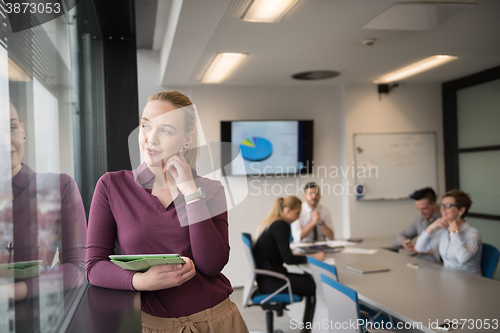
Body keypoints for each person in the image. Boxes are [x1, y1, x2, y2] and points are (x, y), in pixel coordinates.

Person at [86, 91, 248, 333]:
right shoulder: (111, 186)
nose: (150, 139)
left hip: (217, 321)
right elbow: (94, 267)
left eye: (166, 130)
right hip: (147, 325)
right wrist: (140, 281)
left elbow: (212, 264)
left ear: (187, 139)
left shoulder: (211, 190)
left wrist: (190, 193)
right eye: (146, 126)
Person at [4, 101, 87, 301]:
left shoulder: (60, 186)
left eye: (11, 127)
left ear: (23, 131)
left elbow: (79, 269)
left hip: (40, 319)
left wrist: (13, 292)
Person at [253, 196, 325, 333]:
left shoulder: (270, 223)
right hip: (275, 282)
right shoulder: (281, 226)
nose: (298, 217)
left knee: (310, 282)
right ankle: (308, 330)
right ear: (287, 210)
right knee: (315, 285)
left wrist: (303, 256)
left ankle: (307, 329)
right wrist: (312, 257)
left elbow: (283, 254)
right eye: (297, 213)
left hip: (267, 279)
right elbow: (288, 259)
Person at [415, 189, 482, 275]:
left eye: (448, 206)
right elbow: (419, 248)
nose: (442, 209)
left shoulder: (473, 233)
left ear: (461, 210)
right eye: (442, 205)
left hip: (470, 283)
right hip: (449, 280)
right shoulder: (444, 232)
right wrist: (431, 227)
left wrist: (454, 232)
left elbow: (463, 258)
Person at [393, 187, 441, 262]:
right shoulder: (420, 220)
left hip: (437, 265)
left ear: (434, 204)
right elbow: (401, 235)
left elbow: (450, 252)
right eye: (418, 209)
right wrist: (404, 243)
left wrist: (421, 249)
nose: (421, 212)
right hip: (418, 261)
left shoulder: (445, 221)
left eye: (424, 208)